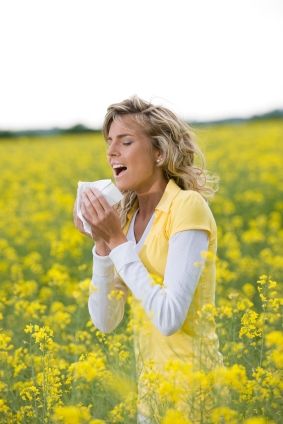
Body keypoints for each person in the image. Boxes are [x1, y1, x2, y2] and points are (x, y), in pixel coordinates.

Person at [73, 96, 224, 423]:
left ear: (159, 152)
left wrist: (115, 241)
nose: (112, 151)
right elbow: (105, 321)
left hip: (197, 398)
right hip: (152, 399)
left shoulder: (188, 206)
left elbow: (170, 318)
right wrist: (102, 244)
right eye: (109, 142)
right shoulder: (125, 220)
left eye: (125, 142)